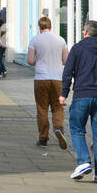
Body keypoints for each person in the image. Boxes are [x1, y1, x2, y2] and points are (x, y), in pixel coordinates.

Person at [59, 20, 97, 183]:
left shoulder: (78, 48)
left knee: (77, 129)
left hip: (82, 95)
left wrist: (63, 94)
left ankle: (84, 161)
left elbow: (67, 73)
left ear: (85, 32)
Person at [28, 17, 69, 149]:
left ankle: (43, 138)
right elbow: (65, 60)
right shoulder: (61, 40)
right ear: (51, 26)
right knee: (57, 106)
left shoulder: (35, 39)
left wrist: (37, 62)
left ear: (39, 27)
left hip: (41, 78)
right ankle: (58, 127)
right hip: (57, 78)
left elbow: (29, 60)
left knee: (42, 108)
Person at [0, 9, 9, 78]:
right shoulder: (5, 29)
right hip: (4, 46)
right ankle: (4, 70)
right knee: (0, 59)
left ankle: (0, 72)